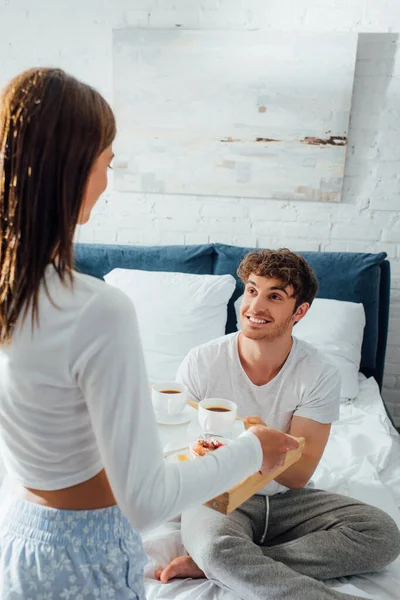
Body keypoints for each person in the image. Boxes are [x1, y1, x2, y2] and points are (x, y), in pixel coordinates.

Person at [0, 68, 299, 599]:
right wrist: (253, 448)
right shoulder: (95, 308)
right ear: (76, 170)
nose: (108, 180)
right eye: (106, 162)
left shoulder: (13, 297)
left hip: (23, 538)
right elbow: (146, 499)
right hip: (84, 548)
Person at [156, 249, 400, 600]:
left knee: (382, 535)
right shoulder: (203, 361)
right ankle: (220, 560)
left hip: (288, 500)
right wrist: (255, 446)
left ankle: (230, 564)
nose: (255, 307)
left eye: (274, 296)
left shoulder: (318, 373)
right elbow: (182, 451)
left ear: (299, 311)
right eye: (252, 290)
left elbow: (298, 474)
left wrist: (256, 440)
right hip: (221, 498)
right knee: (213, 547)